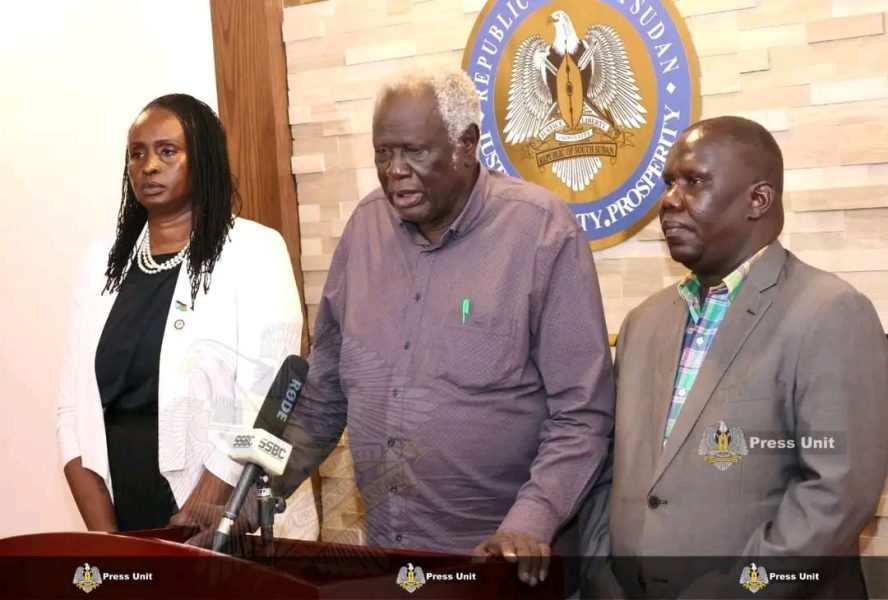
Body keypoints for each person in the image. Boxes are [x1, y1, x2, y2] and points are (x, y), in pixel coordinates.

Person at [276, 66, 615, 586]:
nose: (395, 171)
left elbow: (582, 415)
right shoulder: (364, 228)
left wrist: (528, 524)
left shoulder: (541, 232)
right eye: (383, 153)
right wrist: (254, 490)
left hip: (502, 567)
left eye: (415, 152)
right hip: (391, 561)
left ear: (467, 145)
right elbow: (324, 393)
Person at [606, 116, 888, 597]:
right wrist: (602, 575)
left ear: (758, 200)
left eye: (694, 182)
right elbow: (610, 467)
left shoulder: (831, 313)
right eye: (669, 183)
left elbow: (837, 492)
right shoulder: (642, 322)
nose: (669, 200)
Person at [56, 93, 318, 540]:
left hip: (223, 518)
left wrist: (196, 520)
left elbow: (263, 401)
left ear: (204, 159)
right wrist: (109, 541)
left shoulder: (254, 250)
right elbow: (71, 411)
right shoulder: (102, 262)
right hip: (122, 512)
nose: (149, 167)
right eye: (137, 154)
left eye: (167, 151)